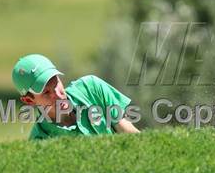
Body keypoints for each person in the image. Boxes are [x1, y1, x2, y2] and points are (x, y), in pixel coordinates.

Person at [12, 54, 140, 140]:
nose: (57, 94)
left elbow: (129, 133)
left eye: (56, 82)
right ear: (29, 100)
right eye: (46, 93)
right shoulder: (40, 141)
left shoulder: (91, 87)